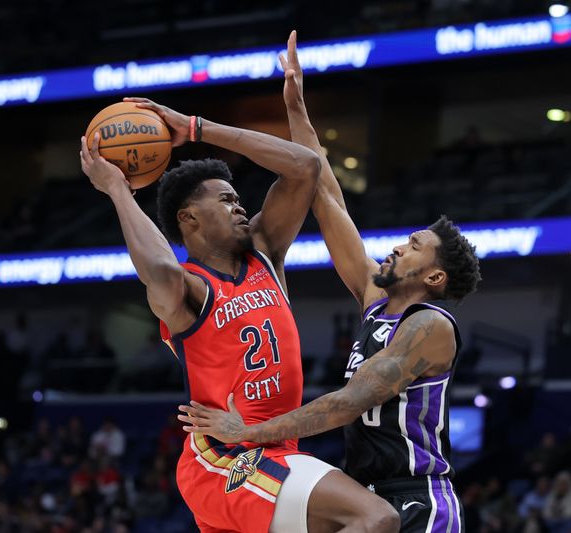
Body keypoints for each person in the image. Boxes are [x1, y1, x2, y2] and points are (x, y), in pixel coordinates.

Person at [178, 31, 481, 532]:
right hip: (367, 495)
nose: (397, 246)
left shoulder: (431, 325)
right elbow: (327, 196)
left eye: (413, 246)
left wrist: (248, 432)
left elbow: (349, 402)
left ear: (433, 275)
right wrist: (297, 108)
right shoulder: (375, 298)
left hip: (419, 499)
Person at [80, 96, 398, 533]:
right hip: (225, 457)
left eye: (238, 198)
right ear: (189, 218)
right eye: (226, 200)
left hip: (274, 447)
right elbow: (158, 269)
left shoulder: (263, 253)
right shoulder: (189, 287)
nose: (240, 206)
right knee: (374, 517)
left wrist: (196, 128)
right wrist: (118, 189)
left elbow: (305, 166)